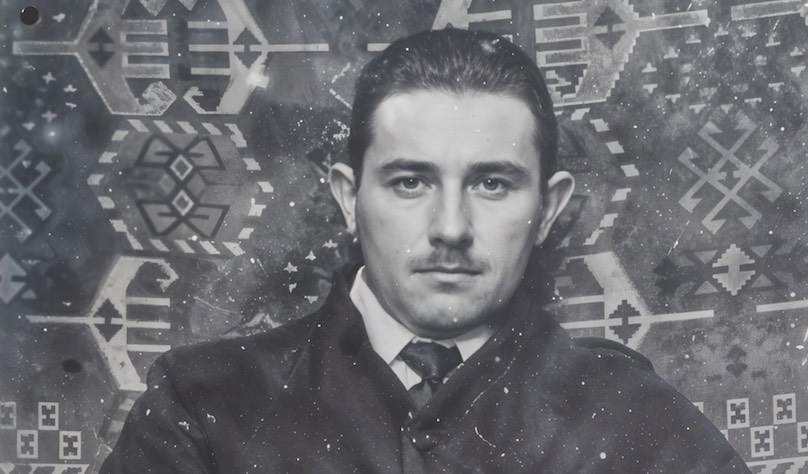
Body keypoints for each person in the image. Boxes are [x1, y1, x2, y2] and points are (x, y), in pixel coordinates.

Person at [102, 28, 749, 473]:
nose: (450, 227)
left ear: (548, 209)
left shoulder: (636, 420)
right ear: (349, 198)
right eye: (410, 182)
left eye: (492, 184)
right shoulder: (201, 408)